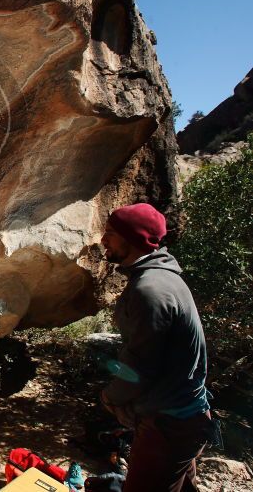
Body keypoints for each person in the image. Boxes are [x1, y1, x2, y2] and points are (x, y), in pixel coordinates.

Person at [99, 203, 213, 492]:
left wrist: (109, 397)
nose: (103, 239)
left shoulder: (150, 290)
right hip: (184, 416)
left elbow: (141, 365)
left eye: (110, 233)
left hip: (169, 424)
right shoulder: (162, 277)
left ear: (132, 238)